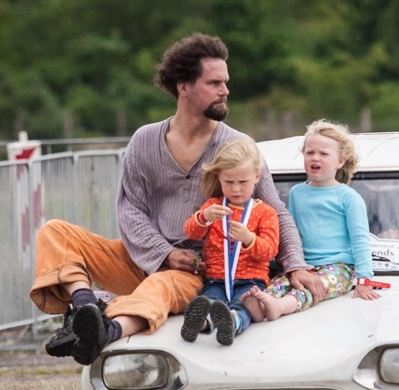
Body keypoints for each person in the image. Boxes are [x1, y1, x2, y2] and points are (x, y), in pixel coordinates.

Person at [30, 33, 323, 365]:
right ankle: (84, 308)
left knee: (159, 287)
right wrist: (164, 252)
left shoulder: (237, 147)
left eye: (225, 82)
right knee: (55, 232)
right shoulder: (144, 140)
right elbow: (130, 209)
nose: (225, 90)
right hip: (142, 257)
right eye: (214, 83)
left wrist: (296, 265)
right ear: (184, 87)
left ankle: (106, 330)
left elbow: (277, 211)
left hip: (196, 271)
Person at [242, 119, 380, 321]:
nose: (315, 158)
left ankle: (279, 307)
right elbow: (291, 232)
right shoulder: (297, 192)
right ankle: (256, 305)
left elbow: (360, 240)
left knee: (313, 289)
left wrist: (364, 279)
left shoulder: (348, 197)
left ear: (340, 161)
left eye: (324, 154)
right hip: (302, 265)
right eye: (310, 153)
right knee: (278, 285)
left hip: (339, 267)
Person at [179, 138, 278, 346]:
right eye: (228, 182)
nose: (235, 189)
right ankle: (200, 323)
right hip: (215, 279)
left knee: (243, 306)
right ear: (219, 178)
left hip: (251, 282)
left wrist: (249, 239)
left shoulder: (265, 212)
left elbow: (270, 251)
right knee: (209, 300)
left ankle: (232, 323)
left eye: (243, 182)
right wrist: (203, 217)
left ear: (257, 177)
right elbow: (191, 233)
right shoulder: (213, 206)